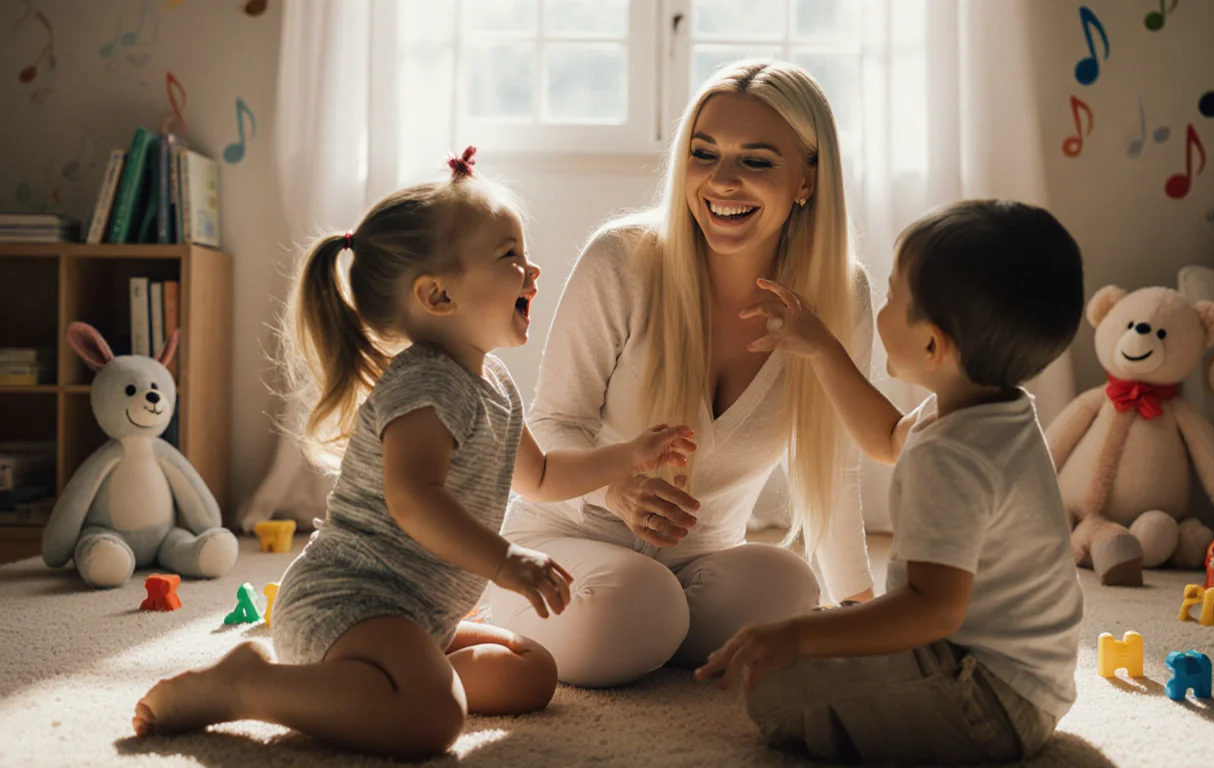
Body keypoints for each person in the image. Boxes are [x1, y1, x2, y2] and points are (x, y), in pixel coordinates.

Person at [130, 148, 695, 759]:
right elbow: (412, 498)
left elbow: (544, 474)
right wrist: (504, 561)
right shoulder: (426, 383)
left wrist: (629, 455)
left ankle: (380, 685)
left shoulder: (495, 383)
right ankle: (247, 686)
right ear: (437, 295)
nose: (532, 271)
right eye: (510, 256)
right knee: (432, 719)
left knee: (534, 669)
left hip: (422, 614)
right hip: (351, 601)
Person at [483, 60, 877, 688]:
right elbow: (554, 424)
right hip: (566, 541)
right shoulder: (622, 259)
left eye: (756, 161)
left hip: (698, 568)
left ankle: (648, 631)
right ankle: (608, 623)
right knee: (636, 605)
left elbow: (833, 468)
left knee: (791, 589)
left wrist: (861, 612)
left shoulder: (839, 296)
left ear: (807, 179)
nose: (722, 181)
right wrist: (614, 488)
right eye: (704, 153)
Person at [697, 199, 1086, 764]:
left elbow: (932, 608)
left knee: (773, 692)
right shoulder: (990, 410)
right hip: (1025, 678)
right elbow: (885, 438)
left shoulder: (952, 458)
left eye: (891, 297)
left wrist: (802, 638)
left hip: (986, 697)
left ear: (932, 344)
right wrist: (822, 346)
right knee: (816, 637)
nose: (879, 312)